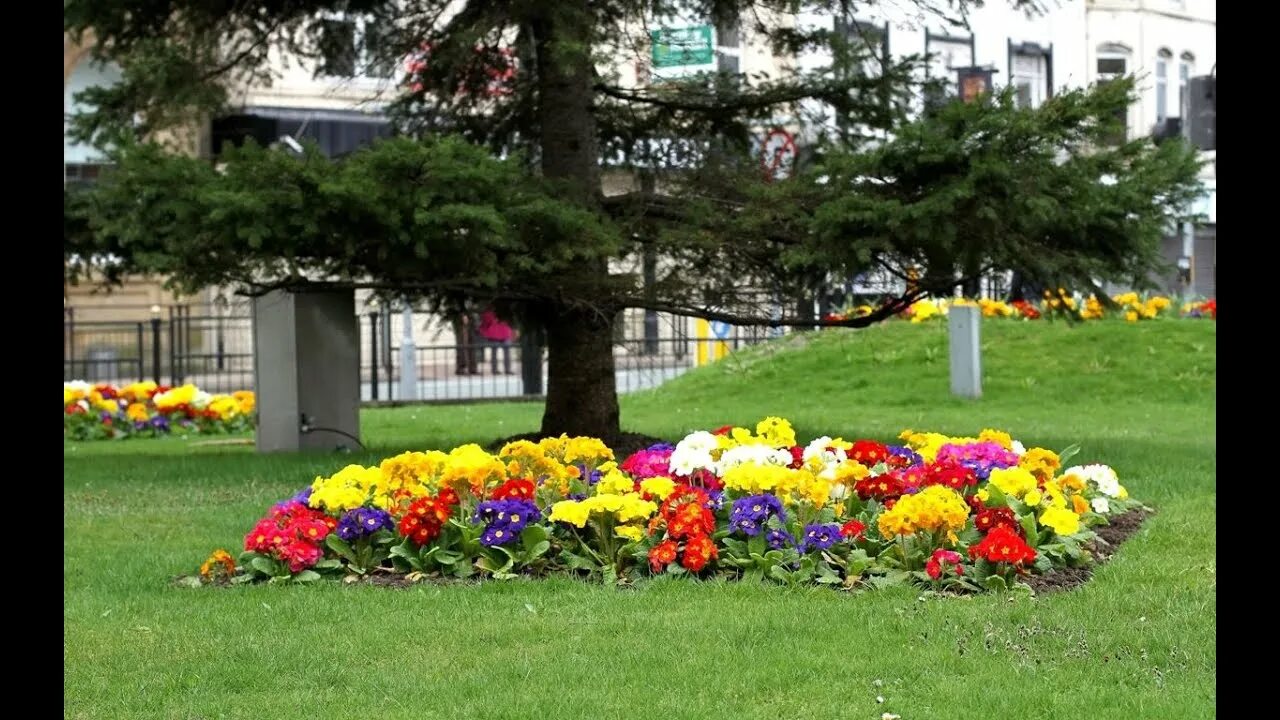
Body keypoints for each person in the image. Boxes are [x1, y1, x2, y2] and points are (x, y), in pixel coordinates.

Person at [477, 307, 515, 374]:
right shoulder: (503, 310)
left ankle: (497, 370)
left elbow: (485, 322)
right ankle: (506, 370)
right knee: (504, 351)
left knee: (497, 352)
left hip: (500, 333)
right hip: (500, 332)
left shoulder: (491, 312)